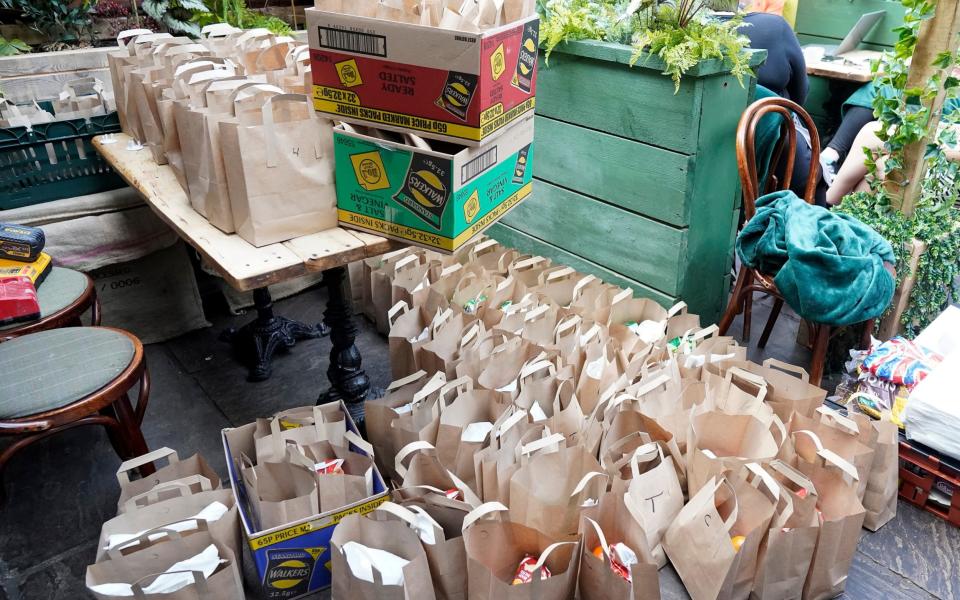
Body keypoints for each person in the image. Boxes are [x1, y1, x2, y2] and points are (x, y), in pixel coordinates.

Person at [710, 0, 822, 203]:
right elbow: (800, 96)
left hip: (711, 166)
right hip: (773, 169)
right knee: (815, 176)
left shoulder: (677, 36)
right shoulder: (774, 28)